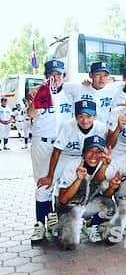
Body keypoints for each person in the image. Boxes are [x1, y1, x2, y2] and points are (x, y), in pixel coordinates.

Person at [28, 60, 73, 242]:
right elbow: (31, 114)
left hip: (62, 145)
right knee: (42, 184)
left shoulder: (70, 93)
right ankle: (40, 223)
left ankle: (52, 216)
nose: (56, 77)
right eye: (52, 74)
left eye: (59, 74)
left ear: (64, 76)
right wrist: (38, 93)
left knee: (57, 183)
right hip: (42, 143)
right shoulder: (39, 92)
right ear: (46, 76)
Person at [36, 100, 107, 197]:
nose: (85, 120)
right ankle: (46, 212)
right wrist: (50, 176)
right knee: (43, 188)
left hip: (88, 158)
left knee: (94, 187)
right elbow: (57, 151)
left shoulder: (101, 128)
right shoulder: (68, 126)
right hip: (65, 155)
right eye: (81, 116)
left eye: (89, 116)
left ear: (95, 116)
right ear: (75, 116)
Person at [57, 135, 116, 250]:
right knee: (70, 243)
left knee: (110, 205)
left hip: (87, 204)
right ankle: (61, 225)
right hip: (69, 207)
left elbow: (105, 193)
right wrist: (78, 179)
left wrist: (112, 187)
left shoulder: (105, 164)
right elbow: (63, 199)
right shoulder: (72, 166)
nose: (94, 155)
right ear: (83, 152)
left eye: (98, 151)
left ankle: (90, 224)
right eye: (90, 151)